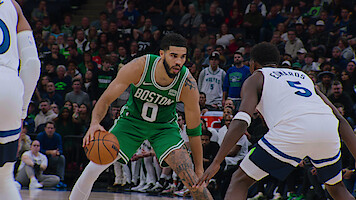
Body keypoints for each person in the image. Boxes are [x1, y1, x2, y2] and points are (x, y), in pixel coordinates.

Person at [195, 42, 356, 200]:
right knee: (336, 188)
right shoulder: (303, 76)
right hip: (327, 128)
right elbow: (340, 120)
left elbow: (242, 120)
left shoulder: (256, 77)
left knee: (240, 180)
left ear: (253, 64)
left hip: (293, 128)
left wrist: (217, 161)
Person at [69, 33, 213, 200]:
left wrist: (199, 169)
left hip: (164, 128)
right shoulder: (140, 67)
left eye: (182, 57)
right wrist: (94, 123)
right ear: (162, 54)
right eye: (174, 56)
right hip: (131, 123)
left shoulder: (187, 83)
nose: (179, 62)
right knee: (92, 169)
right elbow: (106, 99)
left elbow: (194, 131)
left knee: (194, 182)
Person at [0, 0, 41, 199]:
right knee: (4, 178)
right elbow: (33, 64)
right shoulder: (13, 6)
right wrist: (22, 110)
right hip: (9, 86)